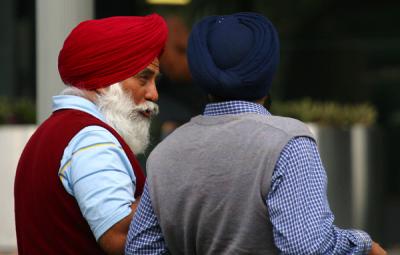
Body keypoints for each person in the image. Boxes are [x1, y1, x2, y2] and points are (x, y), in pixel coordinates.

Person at [125, 12, 386, 255]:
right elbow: (307, 247)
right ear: (267, 69)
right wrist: (363, 244)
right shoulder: (287, 142)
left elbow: (141, 249)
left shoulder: (165, 152)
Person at [14, 14, 167, 255]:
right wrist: (178, 187)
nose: (153, 94)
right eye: (143, 79)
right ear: (104, 81)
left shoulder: (57, 129)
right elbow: (121, 237)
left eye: (154, 81)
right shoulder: (92, 139)